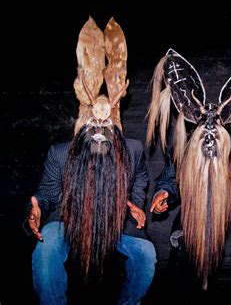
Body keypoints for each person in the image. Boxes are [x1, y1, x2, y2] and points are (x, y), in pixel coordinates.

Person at [26, 17, 156, 305]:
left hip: (117, 219)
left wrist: (133, 201)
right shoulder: (61, 152)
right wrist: (33, 212)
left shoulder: (131, 150)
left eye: (106, 124)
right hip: (69, 218)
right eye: (93, 125)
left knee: (146, 254)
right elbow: (46, 195)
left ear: (115, 121)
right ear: (84, 121)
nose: (99, 131)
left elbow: (140, 180)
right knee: (46, 248)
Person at [146, 49, 231, 303]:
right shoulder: (183, 151)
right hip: (195, 210)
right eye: (205, 126)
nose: (210, 132)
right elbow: (169, 180)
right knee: (185, 248)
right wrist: (163, 194)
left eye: (217, 125)